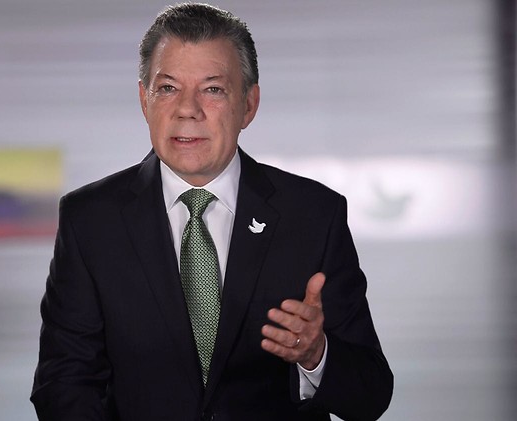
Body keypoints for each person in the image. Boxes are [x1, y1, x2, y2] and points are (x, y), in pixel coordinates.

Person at [30, 3, 393, 420]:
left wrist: (316, 355)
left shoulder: (313, 215)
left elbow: (371, 395)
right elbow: (64, 385)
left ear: (249, 104)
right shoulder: (90, 221)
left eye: (213, 89)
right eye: (168, 88)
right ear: (144, 100)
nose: (188, 109)